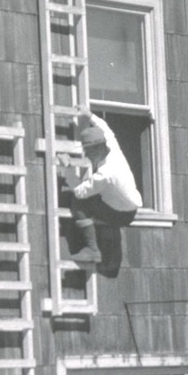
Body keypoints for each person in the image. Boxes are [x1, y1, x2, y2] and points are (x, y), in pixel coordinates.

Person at [59, 109, 141, 275]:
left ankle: (93, 249)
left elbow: (80, 192)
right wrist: (89, 114)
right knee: (94, 196)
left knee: (79, 203)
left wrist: (67, 168)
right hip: (128, 205)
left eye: (88, 151)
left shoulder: (105, 174)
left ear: (97, 150)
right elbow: (106, 129)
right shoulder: (113, 150)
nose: (87, 154)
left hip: (122, 214)